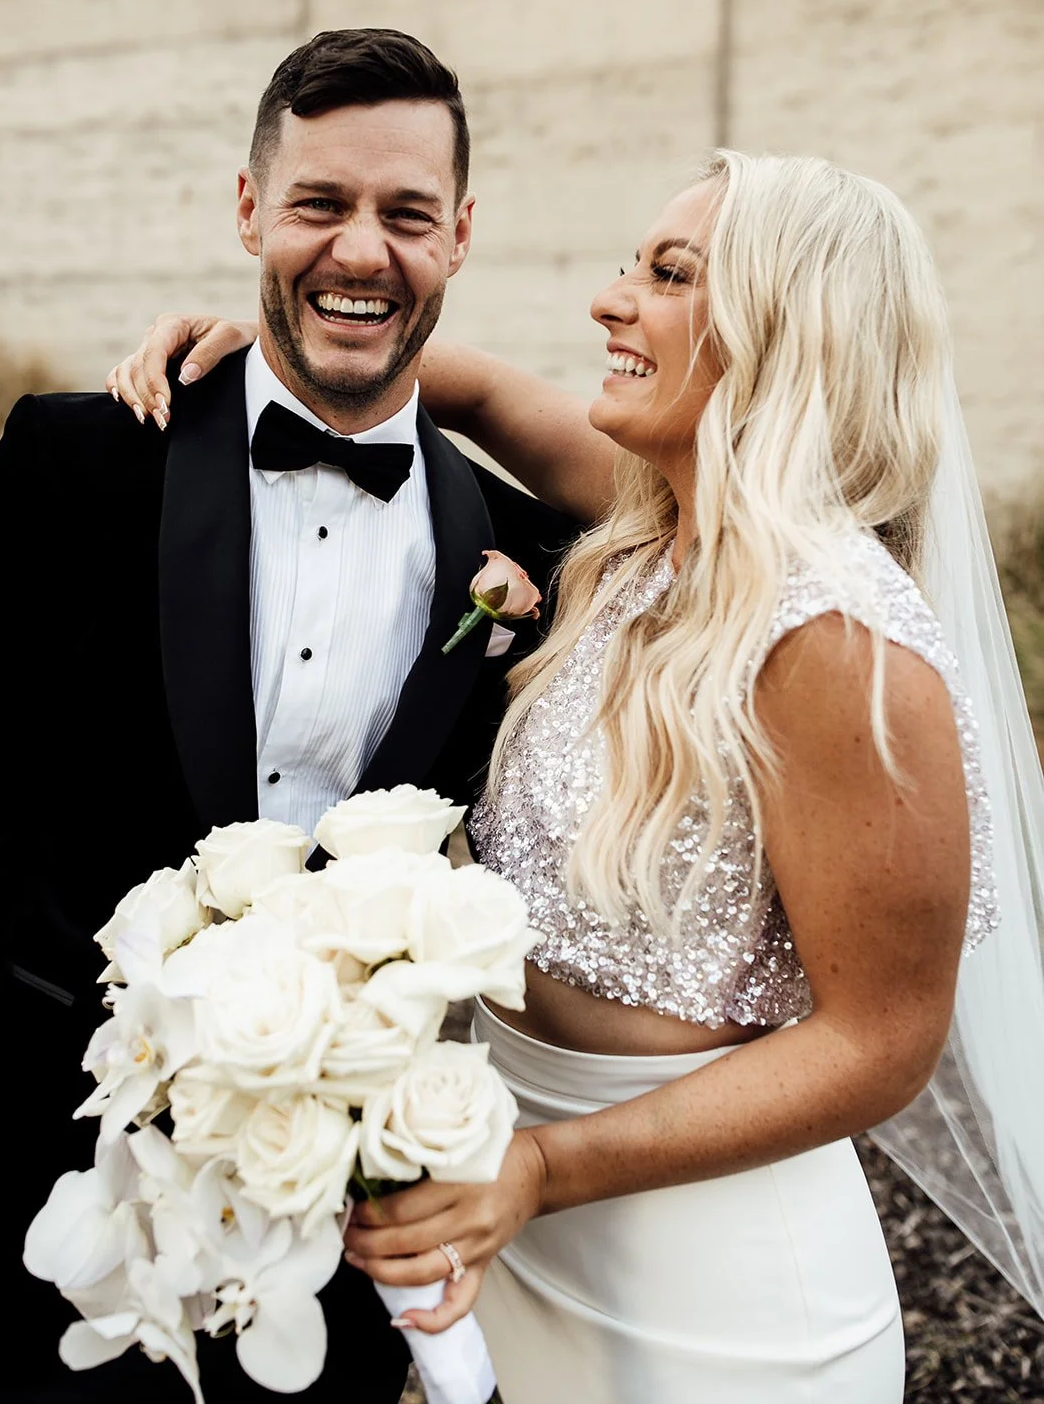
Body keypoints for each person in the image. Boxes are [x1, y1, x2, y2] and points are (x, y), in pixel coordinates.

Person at [113, 148, 1044, 1402]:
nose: (609, 301)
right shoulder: (652, 533)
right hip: (518, 1224)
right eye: (629, 266)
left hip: (718, 1295)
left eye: (666, 275)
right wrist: (275, 354)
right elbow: (483, 389)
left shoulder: (834, 640)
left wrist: (546, 1168)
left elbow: (881, 1042)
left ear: (788, 326)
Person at [0, 28, 578, 1402]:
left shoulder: (526, 556)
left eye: (404, 215)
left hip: (341, 1232)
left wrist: (461, 383)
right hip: (42, 1182)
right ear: (247, 208)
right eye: (319, 205)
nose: (360, 250)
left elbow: (795, 526)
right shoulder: (78, 464)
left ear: (460, 236)